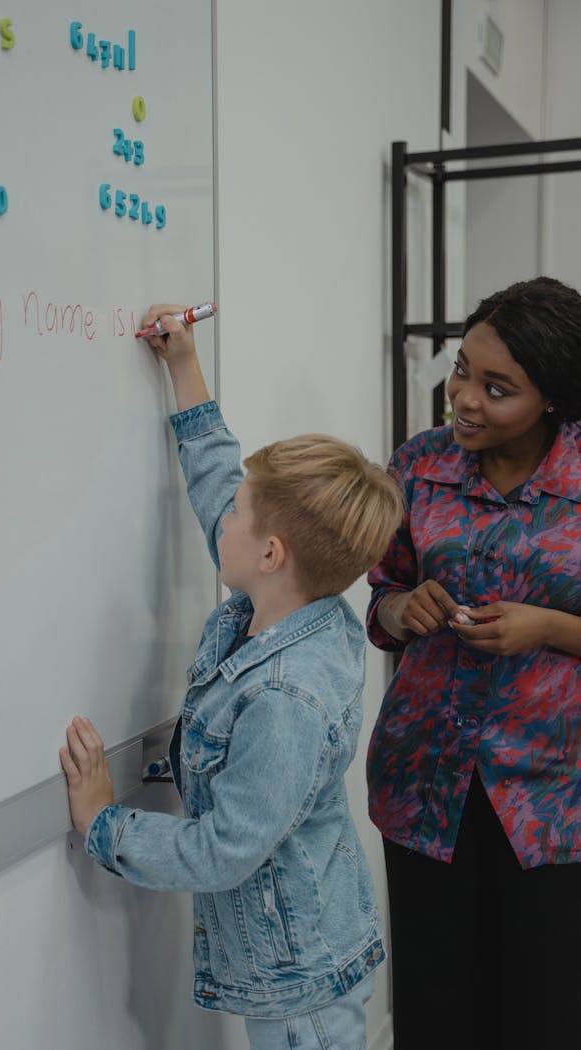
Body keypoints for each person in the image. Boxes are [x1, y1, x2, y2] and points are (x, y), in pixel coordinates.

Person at [59, 303, 403, 1050]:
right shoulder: (297, 601)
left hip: (300, 981)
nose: (226, 518)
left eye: (242, 514)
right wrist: (184, 364)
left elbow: (223, 851)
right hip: (306, 949)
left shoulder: (285, 698)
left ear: (272, 553)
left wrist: (103, 825)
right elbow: (220, 480)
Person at [365, 276, 581, 1050]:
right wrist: (401, 609)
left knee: (546, 1016)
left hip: (556, 803)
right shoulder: (418, 466)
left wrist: (551, 627)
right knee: (436, 1017)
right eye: (462, 371)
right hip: (427, 787)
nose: (464, 399)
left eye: (497, 389)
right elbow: (381, 592)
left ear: (553, 399)